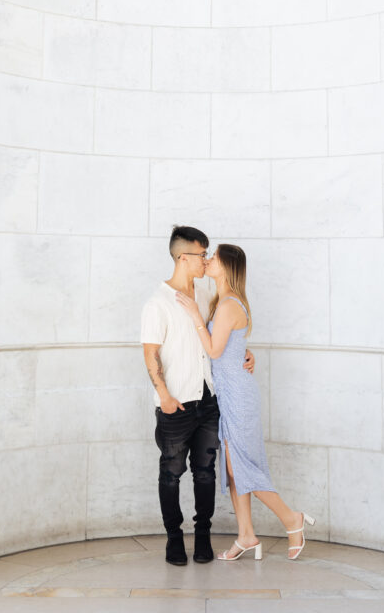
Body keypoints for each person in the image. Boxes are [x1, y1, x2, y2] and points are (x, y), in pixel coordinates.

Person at [176, 243, 315, 561]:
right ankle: (247, 535)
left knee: (242, 467)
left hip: (237, 397)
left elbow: (213, 350)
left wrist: (194, 313)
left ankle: (291, 519)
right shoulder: (222, 301)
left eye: (214, 258)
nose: (208, 261)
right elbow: (230, 350)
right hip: (229, 394)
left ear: (226, 266)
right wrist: (247, 355)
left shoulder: (227, 305)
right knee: (233, 467)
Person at [141, 226, 255, 567]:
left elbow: (221, 340)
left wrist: (246, 355)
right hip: (175, 402)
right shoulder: (156, 303)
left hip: (209, 402)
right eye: (201, 254)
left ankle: (202, 537)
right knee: (172, 472)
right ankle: (174, 540)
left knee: (205, 472)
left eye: (208, 254)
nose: (206, 259)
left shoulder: (208, 296)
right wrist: (164, 395)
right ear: (183, 257)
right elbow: (151, 356)